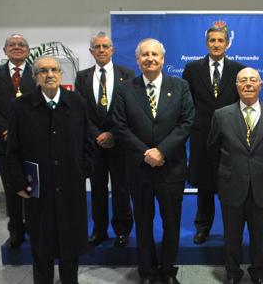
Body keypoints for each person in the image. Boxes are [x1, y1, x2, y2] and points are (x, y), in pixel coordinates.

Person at [6, 56, 94, 283]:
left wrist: (82, 170)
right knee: (42, 247)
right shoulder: (21, 106)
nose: (50, 74)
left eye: (54, 70)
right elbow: (13, 150)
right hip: (37, 190)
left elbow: (88, 143)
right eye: (43, 71)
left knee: (70, 247)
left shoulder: (77, 103)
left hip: (70, 189)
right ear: (36, 77)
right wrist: (18, 184)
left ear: (61, 74)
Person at [113, 38, 194, 284]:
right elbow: (120, 126)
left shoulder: (180, 86)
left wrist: (162, 151)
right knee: (144, 223)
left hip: (171, 168)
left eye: (155, 54)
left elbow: (187, 122)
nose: (150, 58)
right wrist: (146, 153)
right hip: (139, 169)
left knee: (172, 223)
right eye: (145, 54)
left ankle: (168, 270)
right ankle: (147, 272)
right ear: (137, 60)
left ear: (163, 59)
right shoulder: (125, 88)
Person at [208, 67, 263, 284]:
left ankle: (258, 270)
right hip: (231, 182)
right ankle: (232, 272)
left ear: (261, 85)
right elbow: (213, 149)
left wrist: (260, 167)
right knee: (232, 233)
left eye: (253, 80)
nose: (249, 84)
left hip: (262, 183)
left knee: (258, 233)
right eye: (243, 80)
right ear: (236, 86)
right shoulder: (221, 115)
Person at [182, 25, 246, 244]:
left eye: (220, 40)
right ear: (206, 43)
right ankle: (203, 226)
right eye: (212, 40)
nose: (216, 44)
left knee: (229, 184)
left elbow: (243, 103)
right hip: (201, 136)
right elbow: (186, 102)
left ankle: (231, 228)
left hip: (230, 134)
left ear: (227, 43)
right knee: (204, 184)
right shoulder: (192, 69)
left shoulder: (239, 69)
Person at [75, 31, 134, 247]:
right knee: (97, 189)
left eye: (105, 46)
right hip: (94, 144)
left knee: (121, 188)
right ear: (91, 51)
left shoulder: (127, 75)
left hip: (120, 143)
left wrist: (113, 133)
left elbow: (129, 109)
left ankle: (122, 231)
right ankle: (99, 230)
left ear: (112, 50)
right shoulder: (82, 77)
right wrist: (96, 134)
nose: (101, 50)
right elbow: (81, 111)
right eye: (97, 47)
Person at [0, 34, 36, 248]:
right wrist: (7, 130)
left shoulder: (37, 73)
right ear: (4, 51)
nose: (16, 47)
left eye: (21, 45)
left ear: (28, 50)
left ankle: (34, 227)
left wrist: (25, 132)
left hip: (33, 142)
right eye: (12, 45)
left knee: (33, 187)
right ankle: (16, 230)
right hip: (5, 143)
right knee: (12, 186)